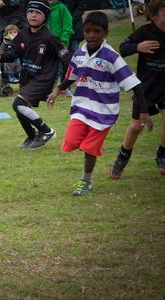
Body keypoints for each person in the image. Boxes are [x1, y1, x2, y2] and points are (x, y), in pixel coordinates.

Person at [46, 11, 152, 196]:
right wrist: (57, 91)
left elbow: (135, 85)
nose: (92, 35)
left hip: (103, 113)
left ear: (105, 33)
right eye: (88, 31)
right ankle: (88, 152)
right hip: (82, 107)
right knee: (70, 142)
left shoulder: (112, 57)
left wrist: (143, 111)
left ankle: (86, 182)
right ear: (84, 32)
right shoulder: (79, 54)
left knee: (89, 149)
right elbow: (71, 75)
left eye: (97, 31)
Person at [0, 0, 72, 148]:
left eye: (38, 13)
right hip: (27, 77)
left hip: (43, 79)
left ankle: (47, 131)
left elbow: (68, 61)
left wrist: (62, 85)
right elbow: (13, 53)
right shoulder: (23, 34)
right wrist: (0, 56)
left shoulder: (50, 38)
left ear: (45, 16)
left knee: (18, 104)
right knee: (22, 109)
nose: (33, 15)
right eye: (30, 12)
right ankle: (32, 136)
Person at [110, 0, 165, 178]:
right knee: (136, 126)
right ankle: (122, 158)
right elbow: (123, 48)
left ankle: (162, 155)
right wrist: (137, 47)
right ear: (154, 16)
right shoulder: (145, 32)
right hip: (146, 87)